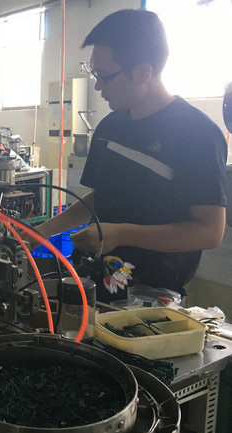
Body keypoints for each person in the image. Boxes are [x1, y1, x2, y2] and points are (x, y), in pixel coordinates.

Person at [35, 9, 227, 301]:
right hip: (93, 280)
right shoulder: (109, 127)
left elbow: (209, 231)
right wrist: (41, 231)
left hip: (151, 295)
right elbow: (101, 197)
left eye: (104, 76)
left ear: (142, 72)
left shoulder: (197, 134)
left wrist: (120, 234)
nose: (97, 86)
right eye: (94, 74)